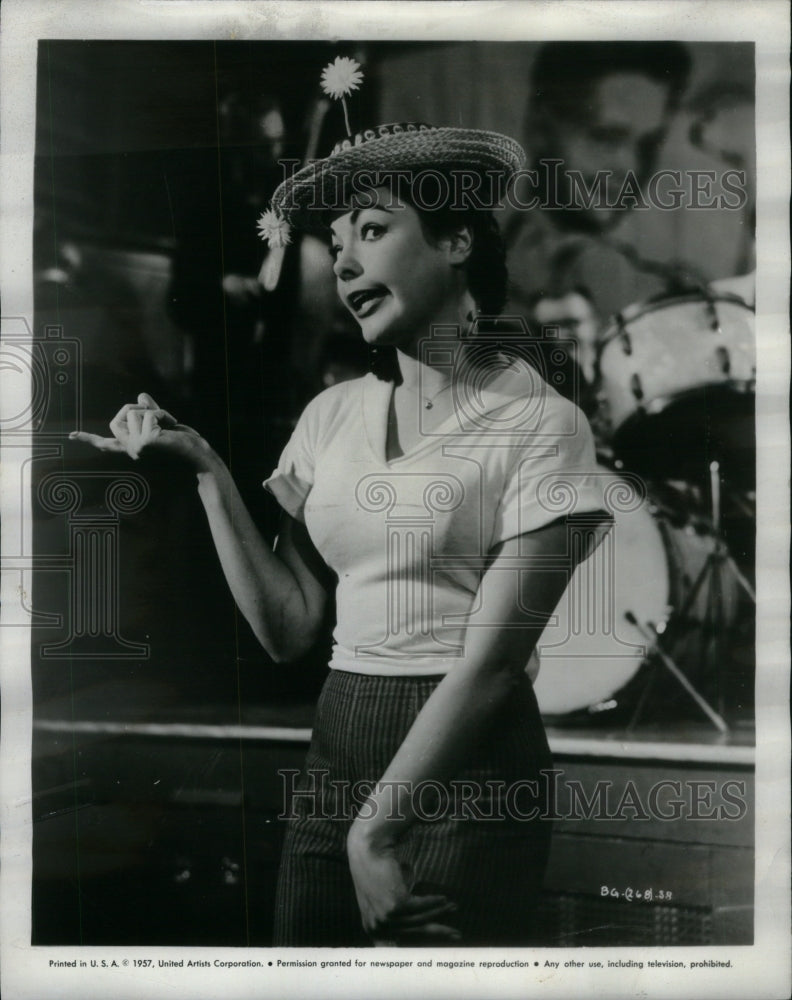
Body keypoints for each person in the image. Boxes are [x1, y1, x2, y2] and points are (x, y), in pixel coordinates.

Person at [71, 99, 611, 945]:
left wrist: (381, 828)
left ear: (457, 241)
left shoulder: (540, 423)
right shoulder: (329, 415)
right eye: (336, 243)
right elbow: (290, 631)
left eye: (371, 230)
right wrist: (207, 472)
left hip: (466, 772)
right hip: (335, 754)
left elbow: (498, 667)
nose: (345, 262)